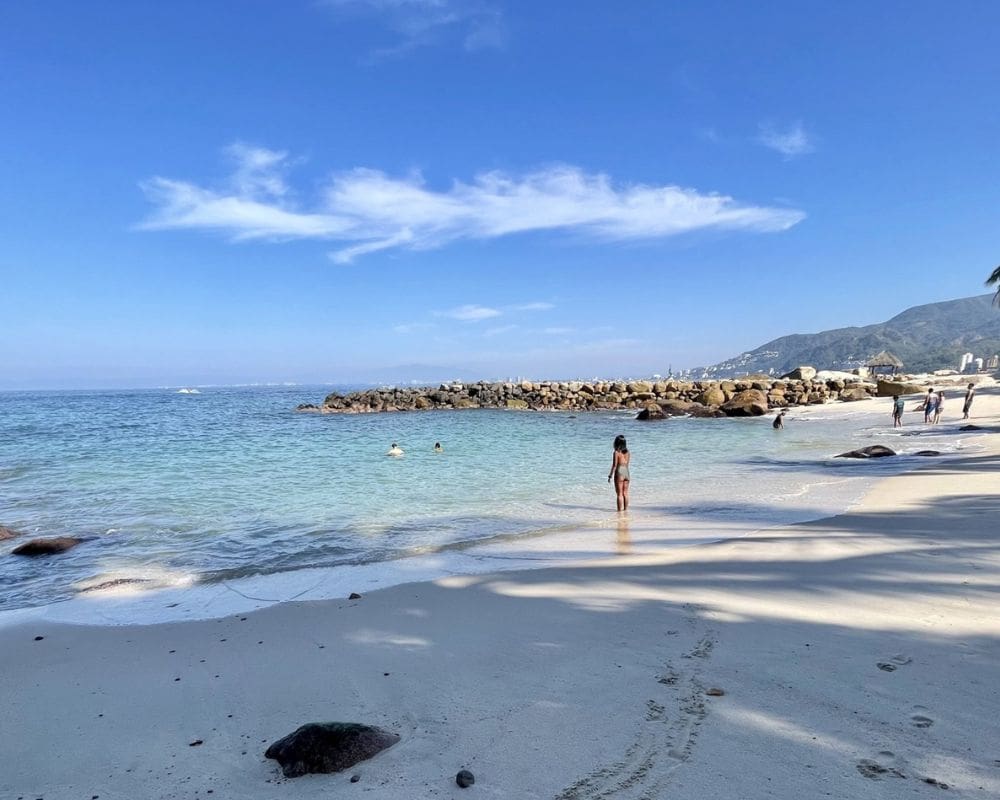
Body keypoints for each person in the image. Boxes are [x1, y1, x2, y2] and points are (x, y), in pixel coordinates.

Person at [607, 434, 631, 513]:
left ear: (616, 443)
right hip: (626, 471)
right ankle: (626, 510)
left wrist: (610, 475)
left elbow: (614, 466)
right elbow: (627, 464)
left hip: (619, 470)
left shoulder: (616, 453)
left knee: (619, 494)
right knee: (625, 493)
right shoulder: (628, 452)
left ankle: (619, 512)